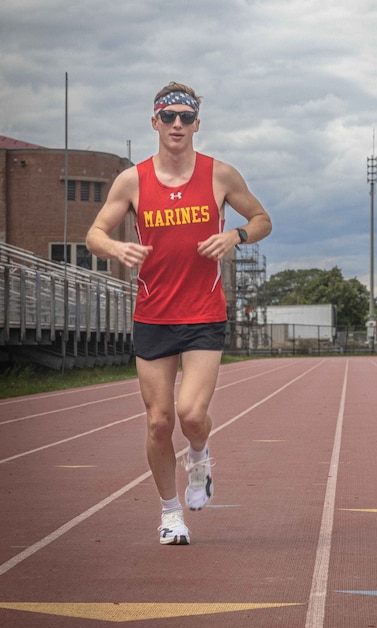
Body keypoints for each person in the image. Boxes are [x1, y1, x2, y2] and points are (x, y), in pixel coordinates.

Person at [86, 81, 272, 545]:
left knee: (191, 415)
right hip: (152, 314)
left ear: (196, 125)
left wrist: (235, 238)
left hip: (204, 312)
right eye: (168, 116)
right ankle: (170, 514)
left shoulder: (219, 175)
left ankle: (200, 454)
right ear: (154, 122)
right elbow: (94, 234)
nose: (176, 124)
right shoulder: (132, 180)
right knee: (157, 421)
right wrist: (114, 246)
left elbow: (262, 219)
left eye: (185, 118)